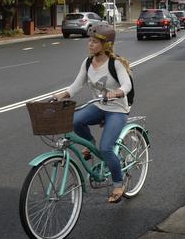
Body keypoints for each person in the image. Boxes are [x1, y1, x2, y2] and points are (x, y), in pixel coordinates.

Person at [53, 23, 132, 204]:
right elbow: (76, 85)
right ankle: (89, 143)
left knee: (106, 148)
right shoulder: (88, 63)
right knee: (74, 121)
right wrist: (63, 94)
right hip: (98, 106)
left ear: (106, 45)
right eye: (89, 41)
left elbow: (126, 85)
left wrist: (117, 92)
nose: (90, 44)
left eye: (95, 42)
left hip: (117, 109)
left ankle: (118, 184)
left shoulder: (116, 63)